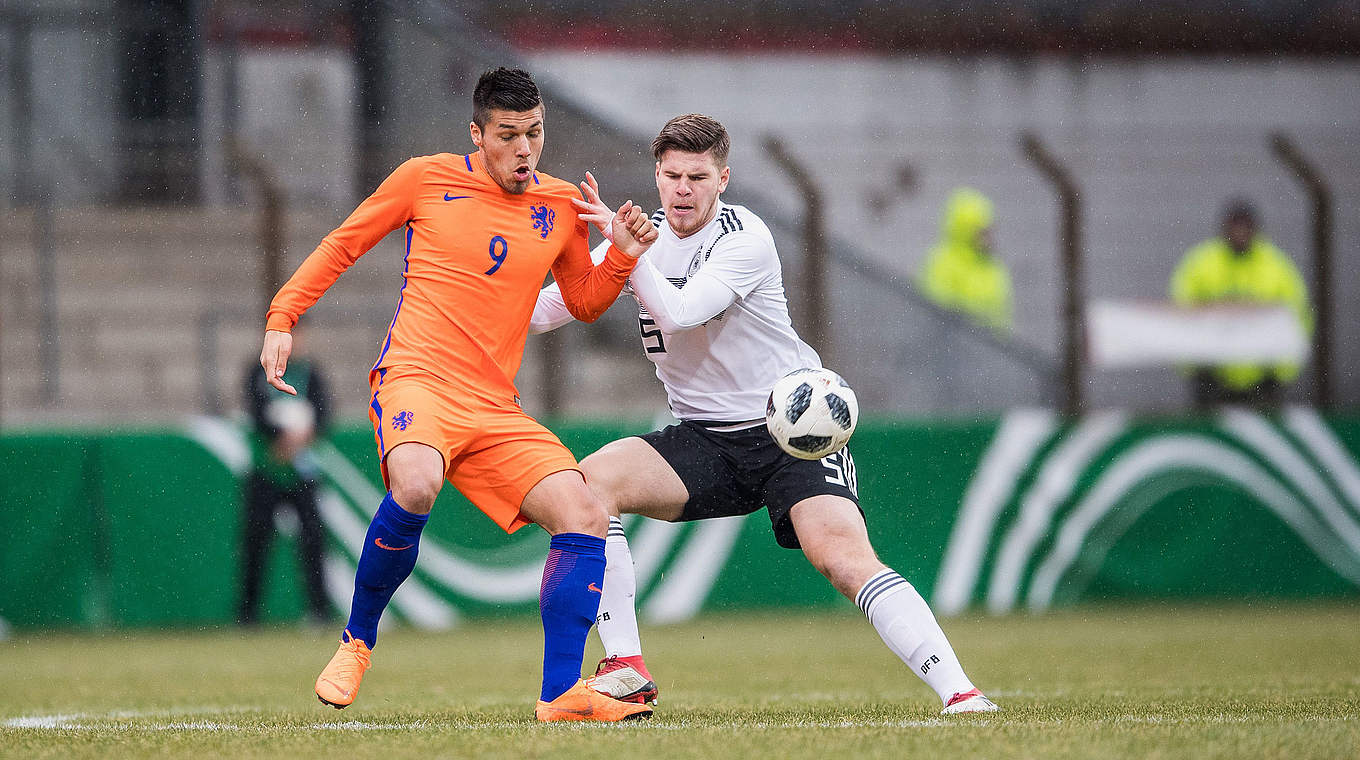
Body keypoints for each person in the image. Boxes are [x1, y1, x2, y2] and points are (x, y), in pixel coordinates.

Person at [530, 114, 998, 716]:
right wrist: (471, 317)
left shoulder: (743, 237)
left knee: (842, 560)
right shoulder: (642, 242)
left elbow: (679, 312)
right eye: (671, 175)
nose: (682, 189)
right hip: (704, 440)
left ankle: (961, 693)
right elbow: (553, 307)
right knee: (586, 489)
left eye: (698, 176)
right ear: (656, 174)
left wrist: (628, 256)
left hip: (792, 432)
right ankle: (626, 668)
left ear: (723, 178)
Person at [258, 68, 660, 722]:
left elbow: (583, 302)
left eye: (535, 133)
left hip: (493, 407)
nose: (525, 149)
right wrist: (282, 317)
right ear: (477, 134)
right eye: (508, 135)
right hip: (416, 380)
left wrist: (618, 256)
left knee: (584, 513)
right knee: (416, 484)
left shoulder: (559, 205)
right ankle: (357, 640)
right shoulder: (425, 178)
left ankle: (559, 694)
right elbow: (345, 243)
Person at [1170, 199, 1312, 410]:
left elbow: (1298, 316)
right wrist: (1195, 368)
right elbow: (1179, 313)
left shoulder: (1276, 266)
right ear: (1224, 228)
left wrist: (1280, 372)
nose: (1240, 233)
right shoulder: (1201, 264)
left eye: (1245, 227)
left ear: (1256, 229)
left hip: (1263, 380)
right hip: (1211, 379)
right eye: (1234, 227)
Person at [239, 324, 332, 626]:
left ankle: (319, 612)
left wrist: (302, 437)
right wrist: (279, 436)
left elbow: (324, 413)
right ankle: (248, 615)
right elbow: (255, 411)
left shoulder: (311, 373)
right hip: (266, 471)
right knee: (256, 543)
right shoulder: (257, 371)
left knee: (313, 542)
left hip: (302, 472)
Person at [918, 187, 1013, 332]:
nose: (988, 238)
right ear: (965, 231)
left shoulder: (994, 268)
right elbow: (935, 313)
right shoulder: (942, 262)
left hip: (988, 351)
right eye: (982, 232)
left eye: (989, 231)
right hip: (952, 349)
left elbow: (1002, 320)